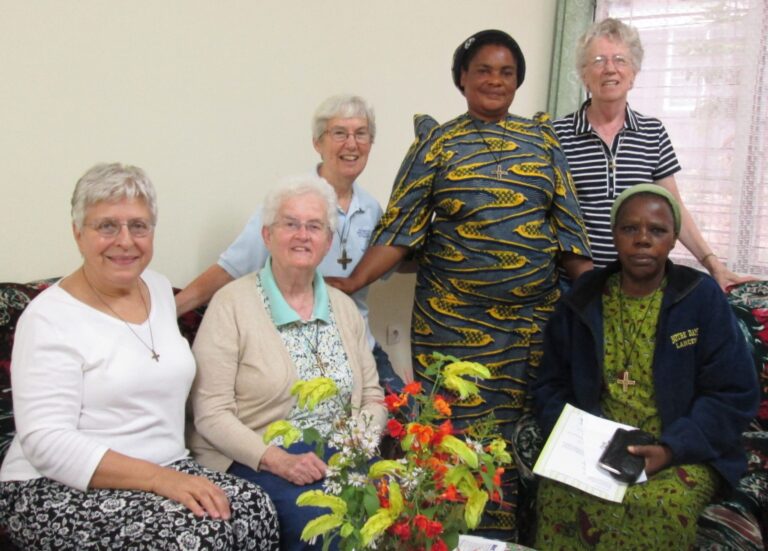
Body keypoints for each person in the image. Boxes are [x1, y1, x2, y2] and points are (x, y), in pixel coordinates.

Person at [327, 29, 592, 541]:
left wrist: (603, 299)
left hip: (529, 330)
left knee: (517, 444)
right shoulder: (438, 143)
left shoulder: (542, 141)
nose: (495, 80)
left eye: (507, 72)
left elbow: (569, 229)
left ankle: (511, 540)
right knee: (454, 444)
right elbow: (400, 229)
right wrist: (355, 280)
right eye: (483, 71)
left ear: (519, 81)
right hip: (452, 326)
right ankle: (450, 538)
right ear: (462, 79)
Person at [0, 163, 280, 550]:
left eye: (139, 226)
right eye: (107, 226)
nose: (125, 241)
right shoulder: (49, 318)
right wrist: (160, 479)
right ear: (78, 233)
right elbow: (46, 443)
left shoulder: (159, 289)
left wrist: (171, 474)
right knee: (199, 535)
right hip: (53, 485)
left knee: (256, 509)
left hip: (166, 465)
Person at [532, 184, 759, 549]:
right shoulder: (583, 297)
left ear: (672, 241)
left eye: (657, 230)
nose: (642, 240)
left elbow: (734, 394)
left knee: (660, 507)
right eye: (630, 229)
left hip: (682, 450)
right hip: (598, 449)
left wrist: (670, 449)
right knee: (557, 495)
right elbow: (549, 385)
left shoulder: (700, 298)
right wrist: (577, 438)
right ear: (614, 235)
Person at [188, 175, 387, 551]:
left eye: (314, 226)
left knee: (399, 514)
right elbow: (210, 413)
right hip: (257, 455)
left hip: (340, 454)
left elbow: (373, 397)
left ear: (327, 242)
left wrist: (356, 448)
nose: (302, 235)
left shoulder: (343, 308)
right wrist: (276, 459)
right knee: (322, 530)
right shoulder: (231, 304)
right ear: (267, 236)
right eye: (290, 224)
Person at [175, 94, 404, 394]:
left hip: (356, 346)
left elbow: (391, 263)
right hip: (295, 347)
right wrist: (166, 314)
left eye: (361, 134)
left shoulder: (372, 209)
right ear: (317, 143)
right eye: (339, 133)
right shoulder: (290, 204)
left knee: (412, 421)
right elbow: (229, 269)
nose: (352, 144)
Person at [554, 17, 753, 290]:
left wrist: (713, 265)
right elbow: (552, 217)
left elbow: (674, 209)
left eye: (620, 60)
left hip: (636, 287)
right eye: (598, 60)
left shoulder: (653, 132)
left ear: (633, 74)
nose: (610, 68)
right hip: (574, 289)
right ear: (584, 75)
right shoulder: (557, 134)